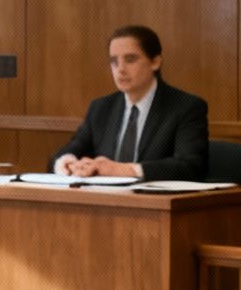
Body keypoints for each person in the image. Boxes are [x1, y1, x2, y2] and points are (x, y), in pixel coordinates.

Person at [50, 25, 208, 180]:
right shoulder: (101, 108)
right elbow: (66, 153)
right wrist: (69, 164)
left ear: (155, 62)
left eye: (130, 59)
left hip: (153, 202)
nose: (120, 69)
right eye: (114, 61)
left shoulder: (186, 107)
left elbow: (190, 166)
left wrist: (125, 170)